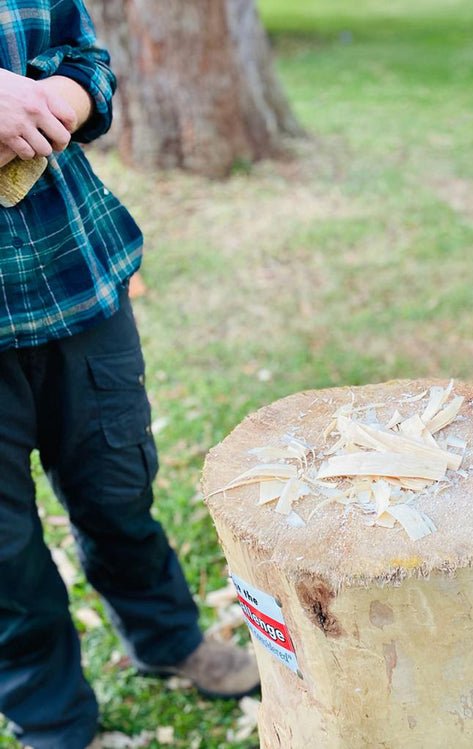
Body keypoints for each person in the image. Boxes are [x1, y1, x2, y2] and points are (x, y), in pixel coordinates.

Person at [0, 2, 259, 747]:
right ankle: (51, 715)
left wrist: (55, 101)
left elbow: (89, 61)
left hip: (77, 286)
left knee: (119, 491)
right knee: (3, 557)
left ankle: (166, 638)